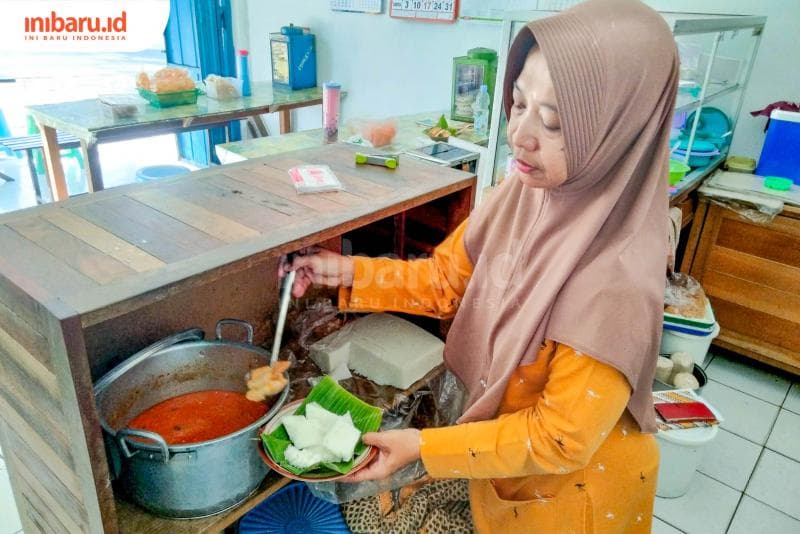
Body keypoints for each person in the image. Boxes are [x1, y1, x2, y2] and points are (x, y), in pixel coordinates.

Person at [283, 0, 678, 531]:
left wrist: (425, 446)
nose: (520, 134)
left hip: (567, 498)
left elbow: (556, 439)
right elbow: (447, 280)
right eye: (518, 102)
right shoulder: (523, 192)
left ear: (619, 134)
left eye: (555, 121)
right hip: (501, 469)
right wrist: (348, 272)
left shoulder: (616, 281)